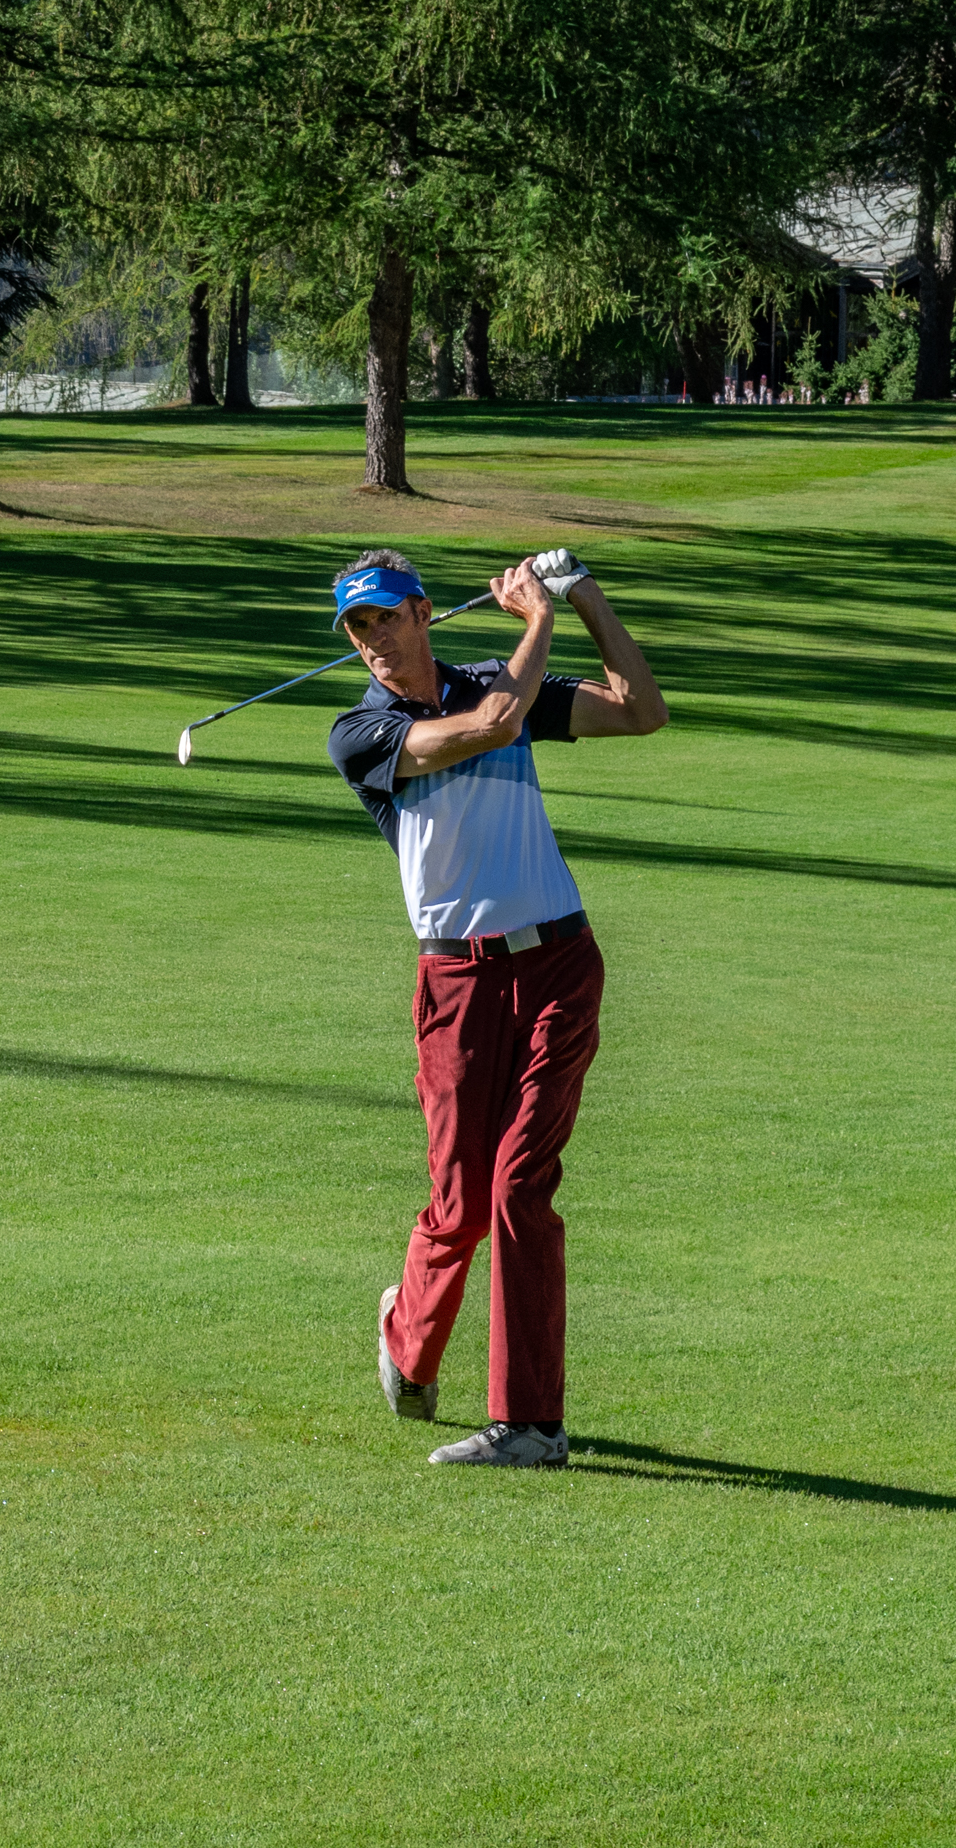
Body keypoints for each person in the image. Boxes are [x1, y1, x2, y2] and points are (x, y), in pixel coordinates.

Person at [323, 547, 666, 1468]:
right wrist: (538, 619)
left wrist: (584, 595)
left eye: (386, 617)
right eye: (357, 628)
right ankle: (409, 1340)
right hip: (457, 984)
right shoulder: (362, 731)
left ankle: (532, 1424)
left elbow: (642, 712)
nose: (374, 642)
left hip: (557, 960)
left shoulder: (490, 677)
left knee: (519, 1185)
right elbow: (485, 728)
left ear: (425, 612)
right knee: (459, 1201)